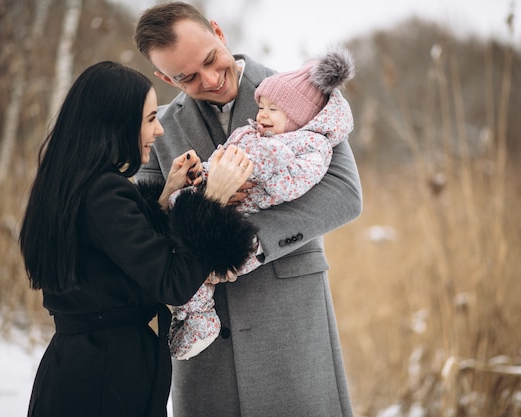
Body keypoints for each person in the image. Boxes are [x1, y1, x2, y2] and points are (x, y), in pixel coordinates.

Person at [134, 3, 362, 416]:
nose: (209, 78)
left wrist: (248, 240)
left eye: (210, 59)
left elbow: (345, 193)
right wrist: (192, 204)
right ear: (165, 78)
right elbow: (140, 225)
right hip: (204, 347)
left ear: (218, 33)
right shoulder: (159, 126)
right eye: (186, 77)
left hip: (288, 321)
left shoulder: (300, 91)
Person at [18, 60, 257, 417]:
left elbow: (111, 256)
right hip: (107, 376)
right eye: (149, 120)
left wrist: (163, 200)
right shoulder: (104, 192)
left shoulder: (74, 183)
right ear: (116, 123)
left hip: (81, 366)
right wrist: (212, 201)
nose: (159, 131)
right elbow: (172, 282)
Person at [167, 48, 356, 361]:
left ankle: (199, 318)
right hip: (219, 204)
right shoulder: (252, 132)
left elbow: (299, 180)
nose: (263, 115)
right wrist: (204, 172)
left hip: (247, 230)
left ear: (298, 118)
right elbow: (224, 155)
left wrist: (257, 161)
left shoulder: (310, 144)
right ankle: (192, 315)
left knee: (202, 262)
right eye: (262, 107)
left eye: (274, 110)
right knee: (180, 223)